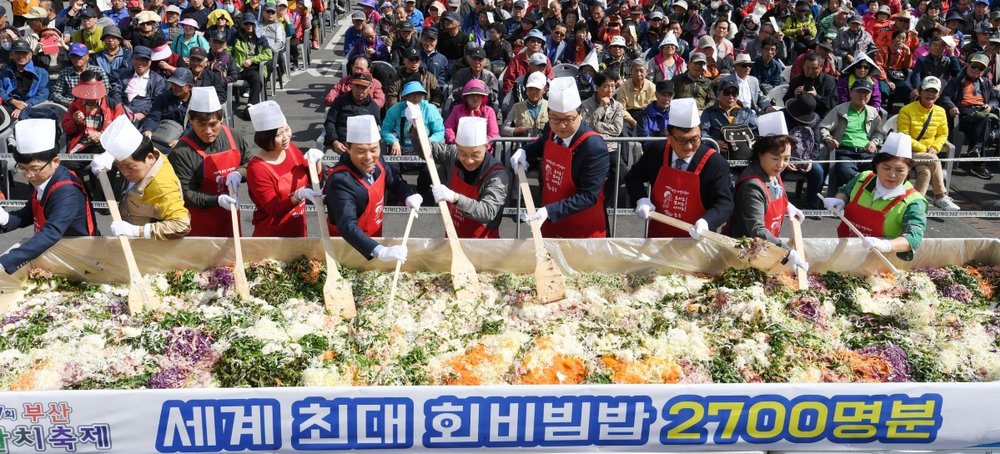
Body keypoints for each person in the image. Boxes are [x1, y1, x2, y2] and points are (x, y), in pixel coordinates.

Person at [510, 77, 610, 238]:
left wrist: (550, 211)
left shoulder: (593, 147)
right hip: (552, 223)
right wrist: (525, 152)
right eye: (555, 118)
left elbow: (588, 196)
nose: (561, 126)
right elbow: (542, 143)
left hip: (582, 228)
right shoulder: (551, 129)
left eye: (568, 119)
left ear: (580, 114)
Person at [0, 119, 99, 274]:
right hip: (56, 252)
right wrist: (5, 218)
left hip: (79, 256)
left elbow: (51, 232)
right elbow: (29, 212)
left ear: (55, 162)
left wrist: (5, 261)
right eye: (23, 169)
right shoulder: (45, 177)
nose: (30, 175)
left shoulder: (67, 191)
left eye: (34, 168)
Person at [627, 98, 734, 238]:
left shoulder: (715, 163)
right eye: (682, 140)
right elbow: (632, 177)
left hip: (697, 240)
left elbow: (724, 203)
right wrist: (641, 199)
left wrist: (707, 221)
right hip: (658, 237)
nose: (689, 146)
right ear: (669, 136)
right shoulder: (657, 152)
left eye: (694, 139)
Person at [326, 114, 421, 262]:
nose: (369, 157)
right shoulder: (341, 181)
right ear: (348, 148)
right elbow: (346, 225)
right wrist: (379, 251)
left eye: (373, 149)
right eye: (361, 151)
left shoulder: (379, 161)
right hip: (347, 246)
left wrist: (407, 195)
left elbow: (394, 181)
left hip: (374, 235)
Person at [822, 132, 928, 261]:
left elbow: (914, 237)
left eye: (900, 170)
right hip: (846, 250)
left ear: (909, 171)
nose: (892, 175)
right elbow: (845, 191)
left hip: (881, 261)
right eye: (886, 168)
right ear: (877, 166)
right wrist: (839, 200)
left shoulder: (914, 201)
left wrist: (886, 245)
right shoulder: (864, 178)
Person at [727, 111, 808, 271]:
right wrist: (786, 250)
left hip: (764, 246)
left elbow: (776, 194)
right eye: (776, 158)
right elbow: (757, 229)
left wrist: (788, 205)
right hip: (746, 251)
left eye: (787, 158)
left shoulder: (773, 173)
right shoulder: (753, 185)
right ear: (760, 154)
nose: (782, 164)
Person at [168, 87, 254, 237]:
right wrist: (217, 200)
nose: (208, 131)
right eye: (201, 125)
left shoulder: (233, 136)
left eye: (213, 124)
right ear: (191, 120)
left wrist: (240, 174)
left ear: (221, 119)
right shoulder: (182, 151)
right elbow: (186, 194)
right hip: (200, 221)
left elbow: (250, 162)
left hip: (231, 214)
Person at [88, 116, 191, 239]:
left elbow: (182, 225)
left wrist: (138, 231)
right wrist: (110, 155)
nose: (125, 173)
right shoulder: (149, 153)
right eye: (120, 166)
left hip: (148, 246)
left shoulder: (162, 187)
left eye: (130, 167)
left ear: (150, 158)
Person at [245, 101, 324, 237]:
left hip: (298, 227)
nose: (286, 137)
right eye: (278, 135)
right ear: (265, 138)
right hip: (272, 234)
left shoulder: (291, 149)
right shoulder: (257, 168)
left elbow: (312, 178)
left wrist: (316, 162)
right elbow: (274, 210)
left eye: (287, 130)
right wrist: (298, 196)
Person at [430, 116, 509, 238]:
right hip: (453, 238)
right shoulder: (453, 154)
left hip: (483, 245)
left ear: (486, 147)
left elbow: (487, 211)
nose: (469, 160)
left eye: (475, 154)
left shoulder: (497, 174)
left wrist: (455, 198)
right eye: (463, 153)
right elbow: (425, 149)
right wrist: (415, 126)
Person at [896, 76, 958, 210]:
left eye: (934, 91)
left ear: (939, 94)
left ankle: (914, 204)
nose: (930, 94)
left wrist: (936, 147)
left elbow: (943, 134)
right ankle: (940, 196)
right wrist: (925, 148)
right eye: (927, 90)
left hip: (926, 154)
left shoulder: (941, 112)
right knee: (933, 159)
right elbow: (904, 136)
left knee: (925, 172)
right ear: (919, 91)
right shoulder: (906, 110)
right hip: (907, 152)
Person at [820, 79, 885, 194]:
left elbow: (879, 133)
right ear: (850, 92)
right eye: (859, 92)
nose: (863, 95)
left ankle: (864, 201)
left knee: (879, 171)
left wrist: (874, 142)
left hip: (866, 153)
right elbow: (824, 127)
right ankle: (850, 199)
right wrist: (828, 139)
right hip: (845, 152)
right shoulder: (840, 110)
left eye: (866, 92)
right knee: (846, 172)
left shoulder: (873, 112)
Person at [940, 52, 997, 180]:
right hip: (963, 113)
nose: (976, 70)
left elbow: (995, 98)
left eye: (981, 68)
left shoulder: (986, 82)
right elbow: (945, 97)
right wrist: (952, 107)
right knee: (985, 121)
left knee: (986, 120)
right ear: (968, 66)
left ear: (984, 71)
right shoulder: (956, 81)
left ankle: (976, 150)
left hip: (982, 113)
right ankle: (978, 163)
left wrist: (990, 106)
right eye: (974, 66)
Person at [63, 71, 128, 155]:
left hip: (106, 146)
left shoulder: (114, 106)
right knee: (67, 164)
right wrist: (75, 122)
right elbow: (67, 130)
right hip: (82, 145)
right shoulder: (75, 104)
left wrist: (102, 135)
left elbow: (121, 130)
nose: (90, 95)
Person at [782, 93, 826, 209]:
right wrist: (785, 160)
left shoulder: (815, 119)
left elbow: (816, 143)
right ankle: (778, 202)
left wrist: (811, 160)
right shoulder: (782, 115)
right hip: (782, 156)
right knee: (777, 170)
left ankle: (811, 204)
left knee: (818, 172)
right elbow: (774, 140)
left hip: (805, 157)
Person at [325, 73, 382, 154]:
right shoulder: (340, 101)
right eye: (357, 86)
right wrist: (334, 141)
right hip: (341, 146)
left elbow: (374, 131)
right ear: (351, 84)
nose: (359, 90)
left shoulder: (373, 107)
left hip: (364, 150)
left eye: (364, 87)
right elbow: (330, 122)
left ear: (370, 87)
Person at [110, 46, 165, 125]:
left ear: (150, 62)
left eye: (143, 60)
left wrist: (143, 113)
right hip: (122, 109)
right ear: (132, 60)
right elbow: (116, 92)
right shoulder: (124, 75)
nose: (140, 63)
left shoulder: (157, 80)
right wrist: (120, 108)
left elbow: (156, 101)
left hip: (142, 113)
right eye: (137, 59)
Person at [0, 39, 49, 119]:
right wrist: (12, 101)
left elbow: (42, 95)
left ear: (30, 55)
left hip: (33, 107)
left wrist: (23, 106)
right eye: (17, 53)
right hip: (9, 106)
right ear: (12, 55)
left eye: (24, 53)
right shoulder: (4, 73)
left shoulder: (41, 73)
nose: (21, 56)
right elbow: (1, 90)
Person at [232, 15, 272, 107]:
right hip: (238, 67)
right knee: (220, 77)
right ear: (243, 25)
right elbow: (229, 50)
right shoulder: (236, 36)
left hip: (253, 66)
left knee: (256, 78)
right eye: (246, 24)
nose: (249, 26)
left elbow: (268, 54)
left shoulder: (261, 38)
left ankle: (251, 105)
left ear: (255, 25)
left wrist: (252, 60)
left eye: (251, 24)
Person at [444, 79, 499, 145]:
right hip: (460, 148)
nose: (475, 98)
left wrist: (483, 145)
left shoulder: (489, 111)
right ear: (466, 97)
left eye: (478, 95)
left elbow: (493, 134)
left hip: (483, 149)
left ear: (483, 97)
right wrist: (453, 140)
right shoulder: (457, 109)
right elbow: (448, 127)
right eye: (472, 95)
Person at [785, 53, 839, 119]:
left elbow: (833, 103)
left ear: (821, 67)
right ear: (803, 66)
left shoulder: (829, 81)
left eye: (814, 68)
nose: (810, 71)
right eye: (807, 68)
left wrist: (817, 97)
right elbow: (786, 100)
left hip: (820, 117)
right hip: (798, 117)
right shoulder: (796, 80)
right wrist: (794, 95)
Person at [502, 71, 548, 136]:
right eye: (530, 88)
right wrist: (516, 131)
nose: (533, 92)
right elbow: (503, 130)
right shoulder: (516, 107)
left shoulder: (550, 107)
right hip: (522, 144)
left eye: (537, 89)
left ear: (545, 89)